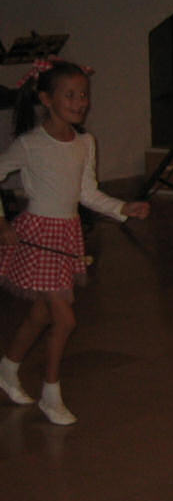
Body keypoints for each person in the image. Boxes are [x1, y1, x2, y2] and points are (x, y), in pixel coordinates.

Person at [0, 61, 150, 425]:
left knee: (41, 315)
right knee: (64, 320)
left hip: (66, 236)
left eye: (83, 94)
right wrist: (1, 223)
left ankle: (7, 369)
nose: (79, 102)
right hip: (38, 237)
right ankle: (51, 394)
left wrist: (122, 207)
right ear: (46, 99)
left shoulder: (85, 142)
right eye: (69, 95)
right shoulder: (30, 144)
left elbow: (86, 192)